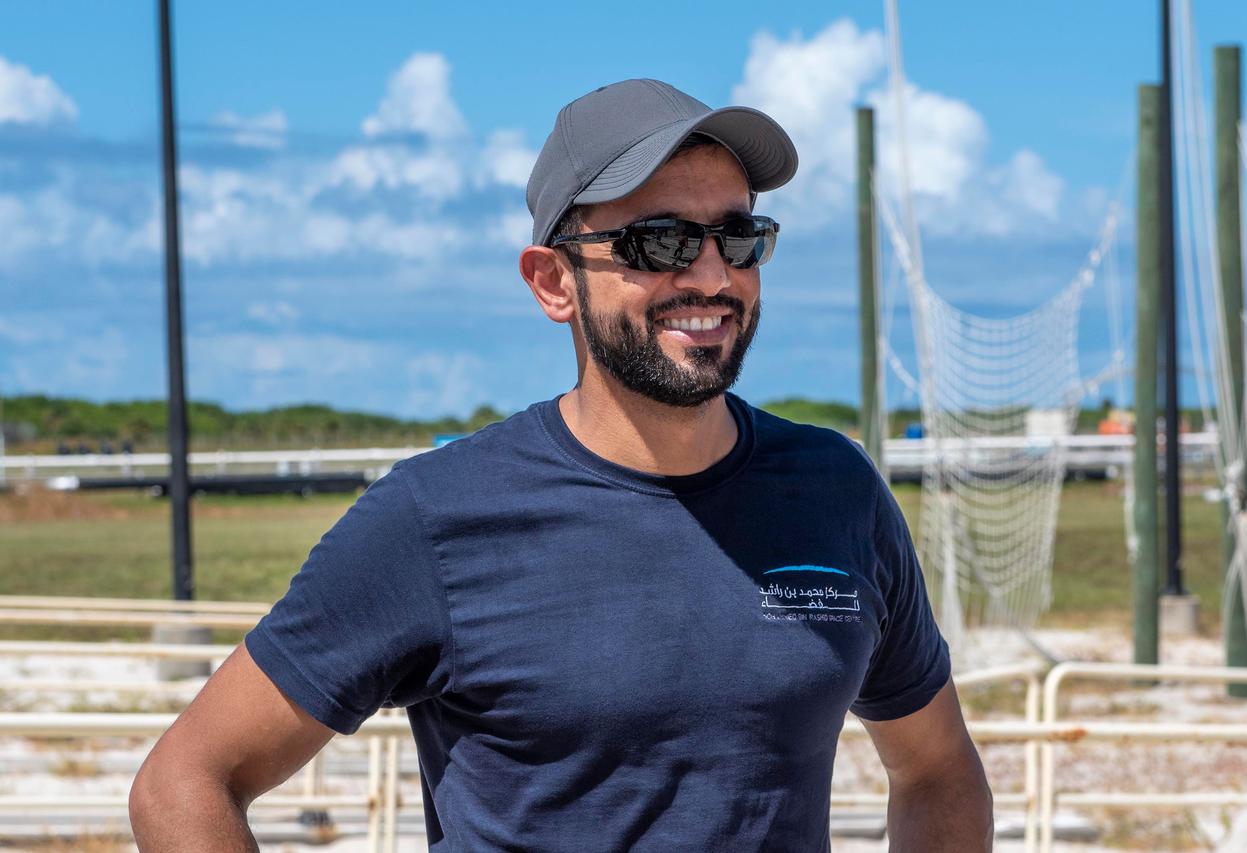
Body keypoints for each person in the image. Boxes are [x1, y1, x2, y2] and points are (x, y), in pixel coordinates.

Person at [130, 78, 992, 852]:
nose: (711, 274)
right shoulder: (438, 518)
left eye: (738, 236)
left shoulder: (835, 491)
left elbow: (937, 772)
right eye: (660, 241)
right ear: (552, 282)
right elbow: (184, 782)